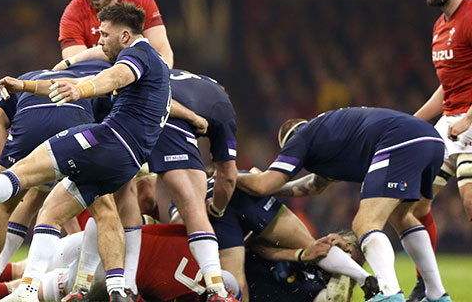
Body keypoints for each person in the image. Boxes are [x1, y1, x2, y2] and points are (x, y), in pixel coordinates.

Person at [0, 2, 172, 302]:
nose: (100, 41)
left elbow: (115, 77)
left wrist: (82, 91)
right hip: (125, 162)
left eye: (105, 35)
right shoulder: (156, 69)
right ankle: (116, 292)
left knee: (23, 172)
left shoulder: (136, 55)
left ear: (126, 36)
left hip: (104, 140)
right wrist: (25, 85)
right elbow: (79, 82)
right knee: (56, 212)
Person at [236, 107, 452, 302]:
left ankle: (389, 294)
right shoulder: (327, 137)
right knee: (401, 216)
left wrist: (231, 175)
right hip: (430, 141)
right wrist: (275, 185)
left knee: (365, 223)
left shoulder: (300, 137)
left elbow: (264, 185)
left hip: (399, 142)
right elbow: (314, 185)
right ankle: (436, 295)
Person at [0, 60, 112, 302]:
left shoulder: (27, 74)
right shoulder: (94, 81)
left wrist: (19, 171)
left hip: (29, 124)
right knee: (105, 211)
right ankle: (96, 286)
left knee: (3, 206)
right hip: (74, 124)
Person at [0, 223, 242, 302]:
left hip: (103, 238)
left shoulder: (196, 245)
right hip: (110, 272)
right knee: (27, 290)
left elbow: (158, 227)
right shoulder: (181, 296)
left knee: (20, 270)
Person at [200, 172, 379, 302]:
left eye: (347, 251)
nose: (335, 244)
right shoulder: (306, 245)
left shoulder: (318, 288)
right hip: (235, 275)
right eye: (339, 242)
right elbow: (255, 245)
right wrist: (299, 255)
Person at [142, 69, 238, 301]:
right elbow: (228, 175)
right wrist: (216, 209)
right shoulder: (222, 105)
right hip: (164, 121)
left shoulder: (170, 74)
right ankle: (216, 289)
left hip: (119, 114)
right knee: (193, 207)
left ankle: (112, 281)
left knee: (127, 198)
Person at [410, 0, 472, 302]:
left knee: (469, 200)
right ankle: (426, 286)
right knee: (414, 204)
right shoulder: (439, 26)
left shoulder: (470, 18)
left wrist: (468, 118)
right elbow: (446, 87)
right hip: (449, 123)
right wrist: (414, 120)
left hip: (470, 120)